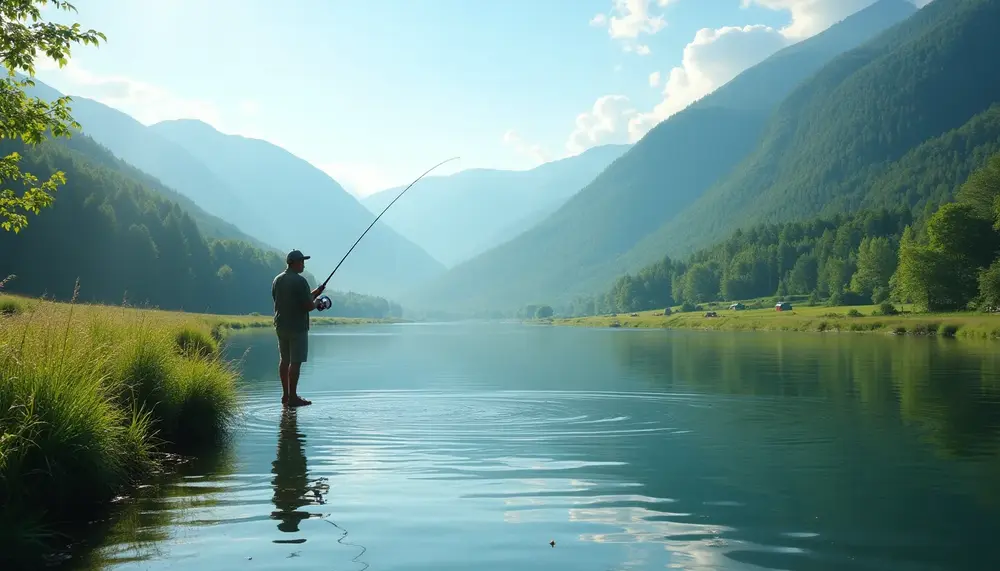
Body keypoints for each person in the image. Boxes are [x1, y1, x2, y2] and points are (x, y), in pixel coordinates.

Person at [271, 249, 326, 407]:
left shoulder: (277, 279)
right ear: (293, 263)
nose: (303, 264)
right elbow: (308, 305)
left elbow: (291, 298)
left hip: (281, 326)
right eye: (301, 261)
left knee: (284, 360)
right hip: (297, 328)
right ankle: (293, 398)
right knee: (295, 362)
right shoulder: (300, 281)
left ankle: (286, 396)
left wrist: (317, 292)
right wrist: (318, 303)